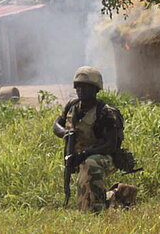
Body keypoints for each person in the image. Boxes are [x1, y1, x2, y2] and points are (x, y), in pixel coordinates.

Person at [53, 66, 121, 212]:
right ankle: (110, 196)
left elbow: (110, 144)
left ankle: (102, 203)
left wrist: (85, 154)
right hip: (77, 157)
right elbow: (56, 124)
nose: (81, 91)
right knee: (84, 200)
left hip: (104, 158)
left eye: (86, 87)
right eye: (78, 87)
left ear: (96, 89)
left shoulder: (105, 113)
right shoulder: (72, 106)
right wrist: (65, 133)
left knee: (90, 163)